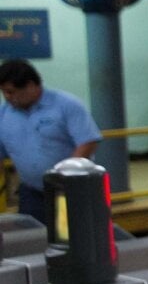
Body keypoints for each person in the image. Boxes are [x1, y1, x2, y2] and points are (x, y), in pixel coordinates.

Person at [0, 60, 102, 228]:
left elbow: (88, 141)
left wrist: (65, 175)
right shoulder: (4, 114)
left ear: (31, 85)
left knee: (74, 236)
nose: (7, 97)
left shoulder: (66, 105)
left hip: (70, 191)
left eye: (11, 92)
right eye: (4, 92)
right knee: (33, 237)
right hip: (32, 193)